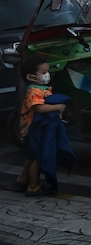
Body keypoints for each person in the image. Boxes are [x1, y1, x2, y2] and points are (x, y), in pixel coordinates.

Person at [8, 59, 67, 197]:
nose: (47, 75)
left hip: (33, 129)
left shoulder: (40, 89)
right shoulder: (34, 91)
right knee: (37, 158)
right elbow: (39, 108)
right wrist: (59, 107)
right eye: (44, 72)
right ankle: (33, 186)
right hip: (32, 129)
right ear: (31, 77)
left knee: (31, 156)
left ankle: (22, 180)